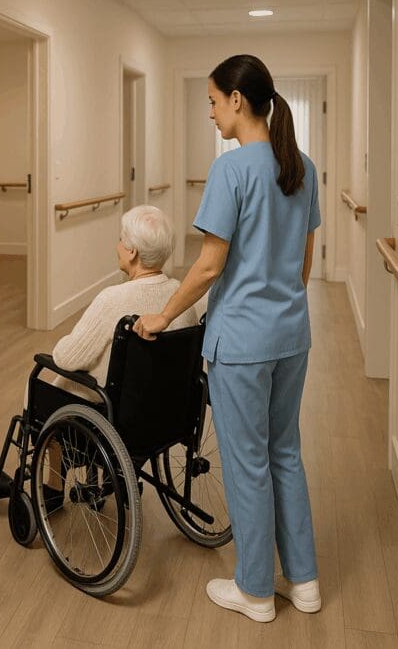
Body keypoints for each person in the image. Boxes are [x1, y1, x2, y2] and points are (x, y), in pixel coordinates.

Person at [134, 55, 322, 622]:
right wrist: (280, 303)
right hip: (292, 334)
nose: (212, 113)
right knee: (285, 453)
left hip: (242, 343)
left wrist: (162, 315)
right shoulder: (303, 167)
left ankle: (256, 590)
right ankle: (304, 581)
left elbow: (210, 266)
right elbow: (305, 262)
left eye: (214, 102)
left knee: (247, 463)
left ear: (238, 100)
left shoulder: (231, 170)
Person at [49, 205, 199, 401]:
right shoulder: (182, 297)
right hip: (165, 403)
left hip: (110, 405)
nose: (118, 246)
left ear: (132, 252)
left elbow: (67, 359)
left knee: (36, 386)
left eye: (121, 239)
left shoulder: (112, 299)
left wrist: (62, 345)